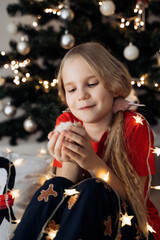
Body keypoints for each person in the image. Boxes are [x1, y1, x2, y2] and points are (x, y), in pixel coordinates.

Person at [12, 42, 160, 240]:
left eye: (91, 84)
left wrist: (92, 163)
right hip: (78, 224)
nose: (81, 95)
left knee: (93, 188)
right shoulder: (67, 122)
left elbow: (136, 200)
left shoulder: (134, 125)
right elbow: (65, 186)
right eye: (71, 89)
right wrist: (68, 158)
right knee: (54, 185)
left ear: (114, 86)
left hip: (132, 226)